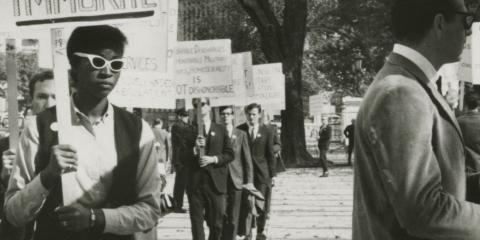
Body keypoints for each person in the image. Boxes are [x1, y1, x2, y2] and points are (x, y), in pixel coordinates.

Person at [4, 25, 161, 240]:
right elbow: (13, 213)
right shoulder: (39, 127)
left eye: (116, 64)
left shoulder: (137, 130)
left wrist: (98, 218)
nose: (107, 72)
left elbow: (151, 209)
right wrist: (47, 177)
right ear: (75, 66)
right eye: (98, 62)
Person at [352, 0, 480, 239]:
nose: (469, 30)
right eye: (466, 20)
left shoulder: (408, 83)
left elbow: (441, 181)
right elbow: (423, 209)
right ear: (440, 23)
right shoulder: (402, 91)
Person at [0, 69, 56, 240]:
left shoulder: (74, 144)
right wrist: (4, 181)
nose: (50, 104)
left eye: (56, 97)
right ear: (31, 101)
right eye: (42, 96)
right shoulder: (4, 146)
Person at [187, 98, 234, 240]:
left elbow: (230, 154)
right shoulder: (188, 130)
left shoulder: (220, 129)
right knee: (197, 223)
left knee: (217, 223)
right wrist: (194, 149)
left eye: (203, 104)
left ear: (209, 107)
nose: (200, 108)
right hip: (195, 184)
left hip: (215, 184)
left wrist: (214, 159)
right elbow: (179, 156)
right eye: (196, 105)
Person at [237, 103, 275, 240]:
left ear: (259, 115)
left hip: (262, 174)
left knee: (261, 203)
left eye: (254, 114)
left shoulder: (267, 131)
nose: (251, 117)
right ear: (246, 115)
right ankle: (248, 233)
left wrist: (272, 175)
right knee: (246, 204)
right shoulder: (240, 130)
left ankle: (260, 230)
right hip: (245, 174)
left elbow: (270, 154)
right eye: (249, 114)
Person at [219, 105, 254, 240]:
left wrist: (249, 181)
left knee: (233, 217)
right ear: (219, 116)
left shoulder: (240, 134)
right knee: (220, 215)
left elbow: (247, 160)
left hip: (236, 181)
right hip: (219, 180)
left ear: (232, 116)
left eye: (228, 114)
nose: (225, 116)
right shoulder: (215, 133)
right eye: (223, 114)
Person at [171, 108, 196, 213]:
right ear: (180, 116)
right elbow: (186, 138)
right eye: (185, 116)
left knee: (184, 182)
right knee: (181, 183)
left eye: (187, 116)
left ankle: (179, 204)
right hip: (181, 158)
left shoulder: (185, 126)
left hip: (185, 158)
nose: (187, 118)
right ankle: (177, 205)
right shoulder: (178, 126)